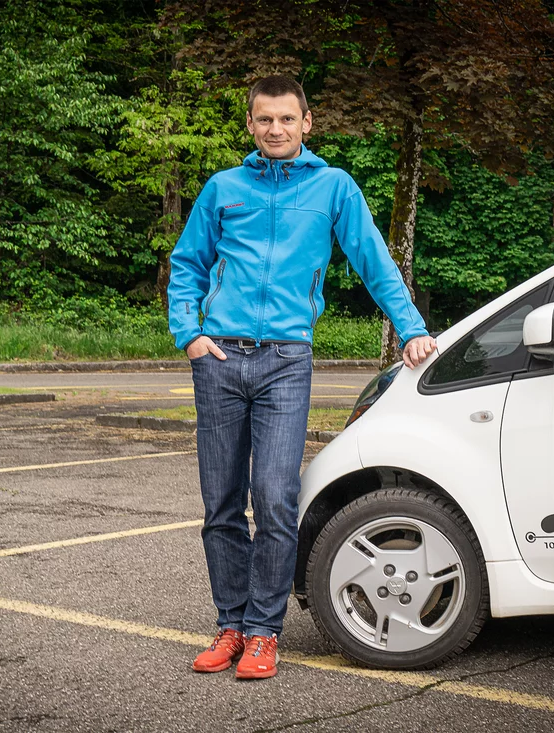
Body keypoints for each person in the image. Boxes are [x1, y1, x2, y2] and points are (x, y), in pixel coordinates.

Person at [168, 76, 437, 680]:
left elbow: (373, 259)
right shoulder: (223, 188)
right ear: (250, 125)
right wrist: (190, 334)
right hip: (219, 361)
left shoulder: (333, 187)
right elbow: (187, 264)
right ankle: (229, 625)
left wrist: (412, 327)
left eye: (287, 119)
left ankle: (264, 632)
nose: (275, 130)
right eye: (264, 120)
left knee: (276, 497)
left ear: (306, 123)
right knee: (221, 503)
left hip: (286, 360)